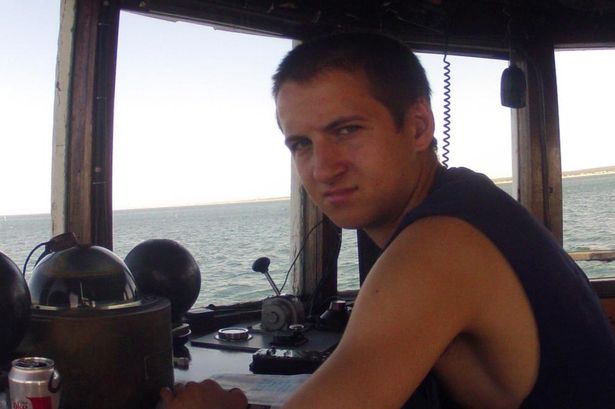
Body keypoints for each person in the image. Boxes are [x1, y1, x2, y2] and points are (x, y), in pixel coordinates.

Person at [161, 32, 615, 408]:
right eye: (301, 144)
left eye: (347, 130)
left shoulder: (441, 248)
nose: (322, 168)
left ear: (418, 127)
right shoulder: (468, 202)